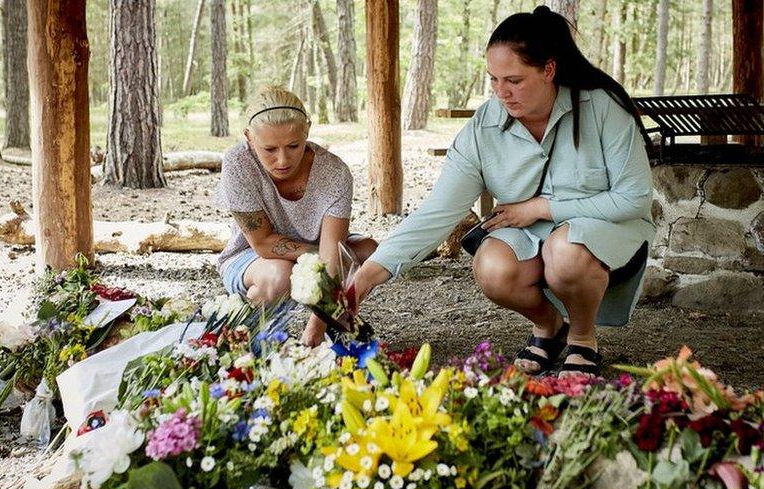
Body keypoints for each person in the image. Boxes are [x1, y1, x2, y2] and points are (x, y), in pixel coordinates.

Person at [351, 6, 655, 376]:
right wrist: (368, 274)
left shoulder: (602, 108)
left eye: (513, 80)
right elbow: (437, 212)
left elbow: (633, 198)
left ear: (548, 70)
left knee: (567, 252)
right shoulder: (484, 127)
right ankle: (549, 327)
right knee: (492, 267)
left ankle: (582, 338)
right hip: (533, 234)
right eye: (493, 80)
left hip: (606, 226)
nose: (501, 93)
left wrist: (542, 208)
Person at [214, 87, 377, 346]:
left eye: (293, 145)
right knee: (281, 274)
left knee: (369, 254)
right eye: (269, 149)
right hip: (253, 257)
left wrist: (314, 330)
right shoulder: (237, 163)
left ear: (307, 131)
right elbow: (263, 242)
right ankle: (250, 339)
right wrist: (325, 257)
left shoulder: (334, 173)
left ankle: (331, 325)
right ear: (248, 137)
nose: (282, 160)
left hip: (314, 252)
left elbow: (331, 254)